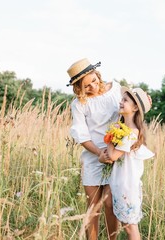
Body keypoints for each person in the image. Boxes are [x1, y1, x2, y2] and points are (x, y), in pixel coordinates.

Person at [67, 58, 122, 239]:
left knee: (109, 204)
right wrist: (99, 154)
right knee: (93, 206)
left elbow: (131, 108)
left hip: (115, 154)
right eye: (86, 86)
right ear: (78, 88)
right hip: (93, 156)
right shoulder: (79, 104)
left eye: (93, 81)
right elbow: (81, 135)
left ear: (96, 74)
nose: (92, 86)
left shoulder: (115, 90)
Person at [99, 87, 154, 240]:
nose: (121, 102)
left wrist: (110, 136)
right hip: (117, 180)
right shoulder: (124, 128)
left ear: (135, 107)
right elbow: (108, 157)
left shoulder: (132, 133)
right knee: (108, 203)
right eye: (121, 99)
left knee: (129, 227)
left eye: (125, 100)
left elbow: (113, 155)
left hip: (126, 184)